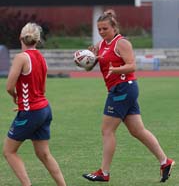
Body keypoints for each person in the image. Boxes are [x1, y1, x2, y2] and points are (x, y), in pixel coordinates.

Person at [82, 9, 175, 183]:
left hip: (123, 88)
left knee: (107, 130)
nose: (101, 32)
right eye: (99, 29)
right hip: (120, 89)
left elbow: (132, 66)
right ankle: (165, 162)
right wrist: (87, 59)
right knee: (137, 130)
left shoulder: (122, 43)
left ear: (114, 27)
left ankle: (104, 172)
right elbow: (91, 67)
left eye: (105, 29)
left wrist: (115, 69)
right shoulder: (102, 45)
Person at [3, 22, 66, 186]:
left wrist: (16, 98)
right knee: (43, 154)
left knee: (9, 151)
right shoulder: (41, 58)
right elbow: (38, 87)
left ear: (20, 38)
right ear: (37, 40)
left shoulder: (21, 58)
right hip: (44, 109)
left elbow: (9, 86)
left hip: (31, 112)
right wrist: (24, 101)